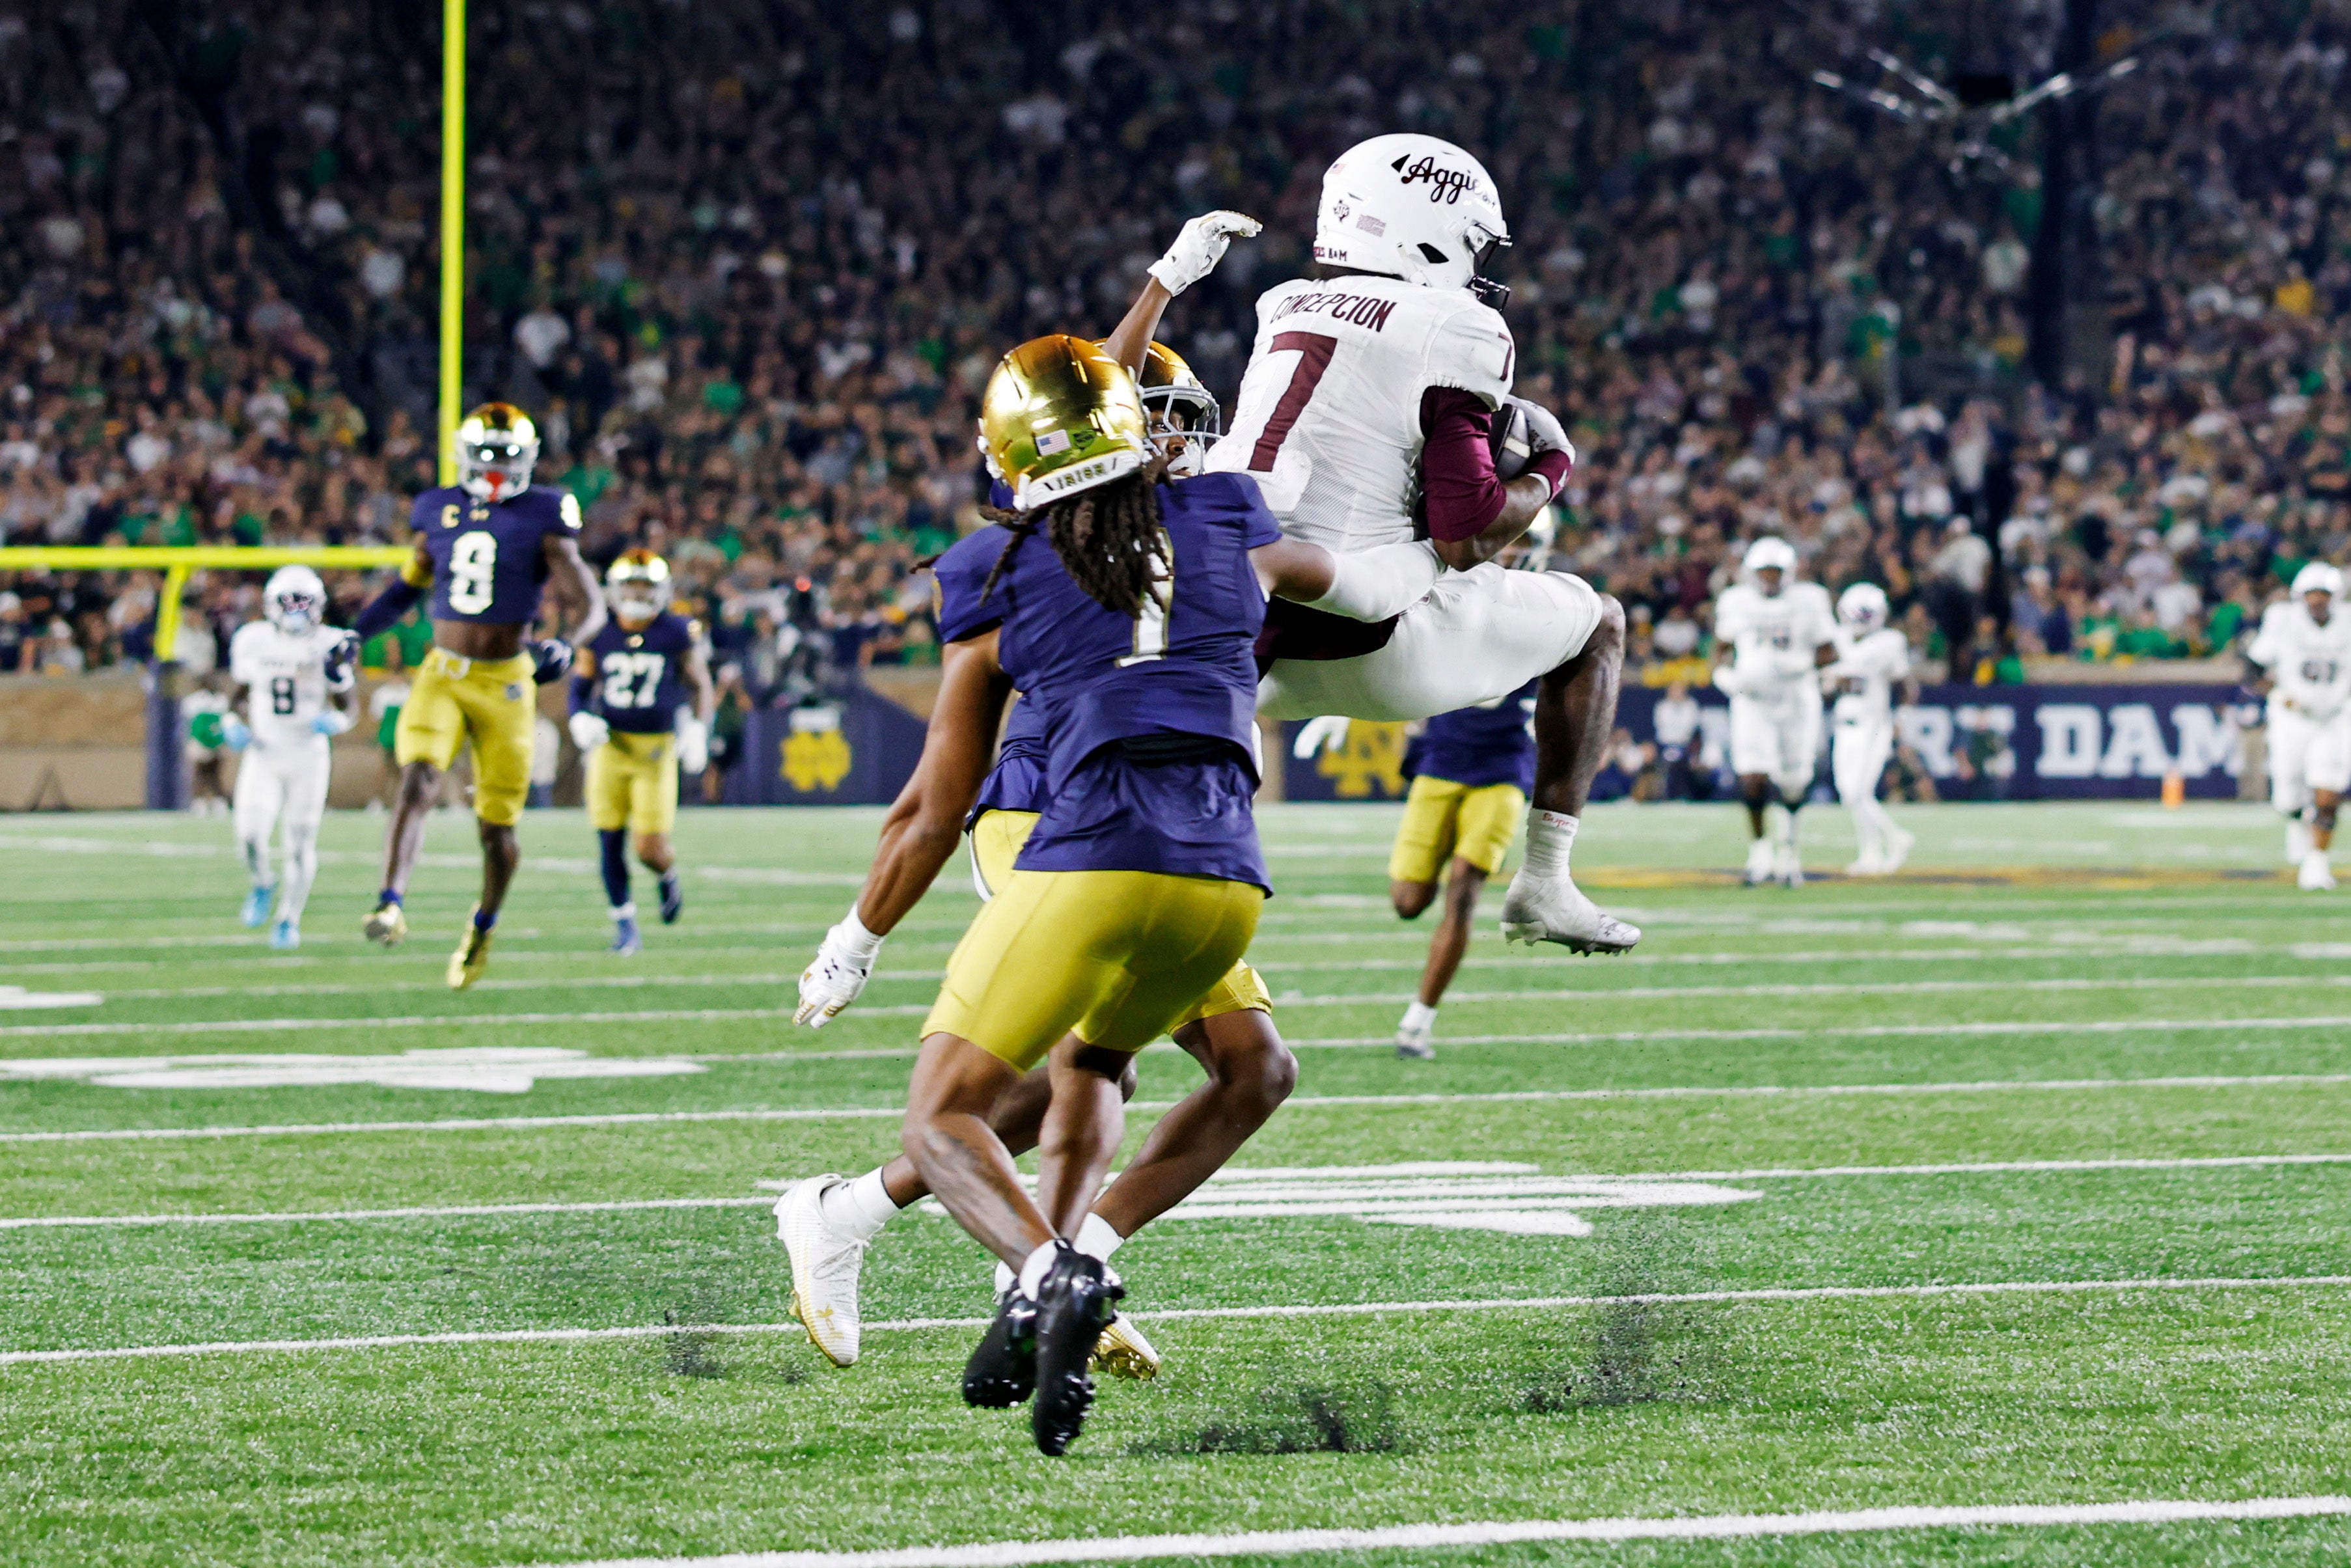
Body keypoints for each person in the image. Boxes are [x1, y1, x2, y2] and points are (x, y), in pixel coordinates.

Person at [787, 336, 1430, 1455]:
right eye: (1160, 415)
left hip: (1108, 836)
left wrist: (856, 936)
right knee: (1100, 1058)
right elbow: (1363, 588)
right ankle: (1035, 1257)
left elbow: (926, 799)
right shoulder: (1224, 518)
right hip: (1088, 823)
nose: (1181, 433)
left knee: (1140, 1066)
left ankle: (1039, 1257)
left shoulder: (1017, 557)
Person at [1202, 134, 1635, 955]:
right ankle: (1546, 881)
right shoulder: (1458, 326)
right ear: (1426, 232)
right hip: (1368, 636)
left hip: (1236, 639)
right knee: (1598, 621)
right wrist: (1551, 468)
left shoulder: (1283, 304)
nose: (1475, 261)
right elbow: (1466, 533)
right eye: (1471, 239)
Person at [349, 402, 604, 987]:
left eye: (508, 455)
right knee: (417, 777)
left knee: (497, 830)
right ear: (465, 456)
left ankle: (483, 925)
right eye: (487, 454)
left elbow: (589, 602)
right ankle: (390, 901)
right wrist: (354, 633)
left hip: (506, 680)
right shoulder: (437, 507)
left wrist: (567, 642)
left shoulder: (545, 511)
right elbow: (403, 590)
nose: (496, 466)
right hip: (442, 672)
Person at [567, 549, 715, 954]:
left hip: (655, 751)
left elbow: (700, 683)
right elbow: (580, 687)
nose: (637, 593)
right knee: (609, 840)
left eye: (646, 586)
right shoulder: (598, 632)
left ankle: (666, 875)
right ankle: (625, 925)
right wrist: (579, 716)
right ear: (614, 590)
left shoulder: (676, 631)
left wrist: (700, 728)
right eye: (630, 585)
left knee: (648, 847)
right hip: (611, 747)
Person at [1384, 674, 1535, 1060]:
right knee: (1408, 902)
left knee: (1464, 888)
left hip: (1503, 771)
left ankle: (1418, 1020)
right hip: (1441, 760)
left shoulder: (1536, 624)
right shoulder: (1454, 615)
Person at [219, 566, 359, 950]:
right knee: (249, 837)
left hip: (308, 757)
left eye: (304, 602)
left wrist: (339, 721)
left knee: (299, 844)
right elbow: (238, 693)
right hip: (264, 753)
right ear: (271, 605)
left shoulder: (331, 642)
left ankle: (288, 918)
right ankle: (263, 882)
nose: (296, 610)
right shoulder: (253, 640)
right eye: (289, 601)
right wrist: (232, 720)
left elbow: (350, 705)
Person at [1711, 536, 1836, 886]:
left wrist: (1800, 663)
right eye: (1764, 572)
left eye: (1776, 571)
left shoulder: (1811, 600)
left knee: (1794, 781)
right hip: (1752, 699)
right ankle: (1760, 853)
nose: (1770, 578)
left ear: (1790, 572)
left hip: (1796, 697)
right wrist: (1724, 675)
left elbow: (1830, 650)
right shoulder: (1736, 601)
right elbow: (1721, 646)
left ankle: (1790, 853)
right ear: (1752, 573)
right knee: (1752, 777)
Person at [2246, 562, 2351, 891]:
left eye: (2324, 594)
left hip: (2335, 715)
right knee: (2288, 796)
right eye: (2312, 594)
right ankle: (2295, 819)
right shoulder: (2283, 620)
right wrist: (2276, 692)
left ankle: (2316, 863)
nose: (2318, 600)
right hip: (2293, 717)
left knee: (2328, 791)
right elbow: (2252, 666)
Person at [1821, 582, 1916, 877]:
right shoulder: (1839, 639)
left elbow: (1904, 684)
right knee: (1850, 793)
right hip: (1845, 723)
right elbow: (1828, 686)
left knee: (1858, 792)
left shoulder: (1889, 642)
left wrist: (1902, 718)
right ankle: (1871, 853)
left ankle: (1896, 839)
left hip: (1874, 724)